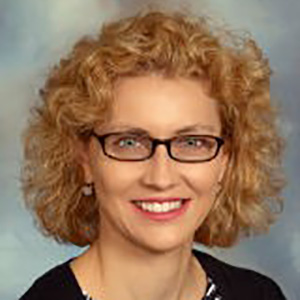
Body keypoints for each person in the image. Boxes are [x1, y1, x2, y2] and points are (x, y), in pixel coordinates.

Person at [19, 8, 286, 300]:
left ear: (225, 161)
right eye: (129, 142)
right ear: (84, 160)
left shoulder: (258, 295)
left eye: (192, 142)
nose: (161, 178)